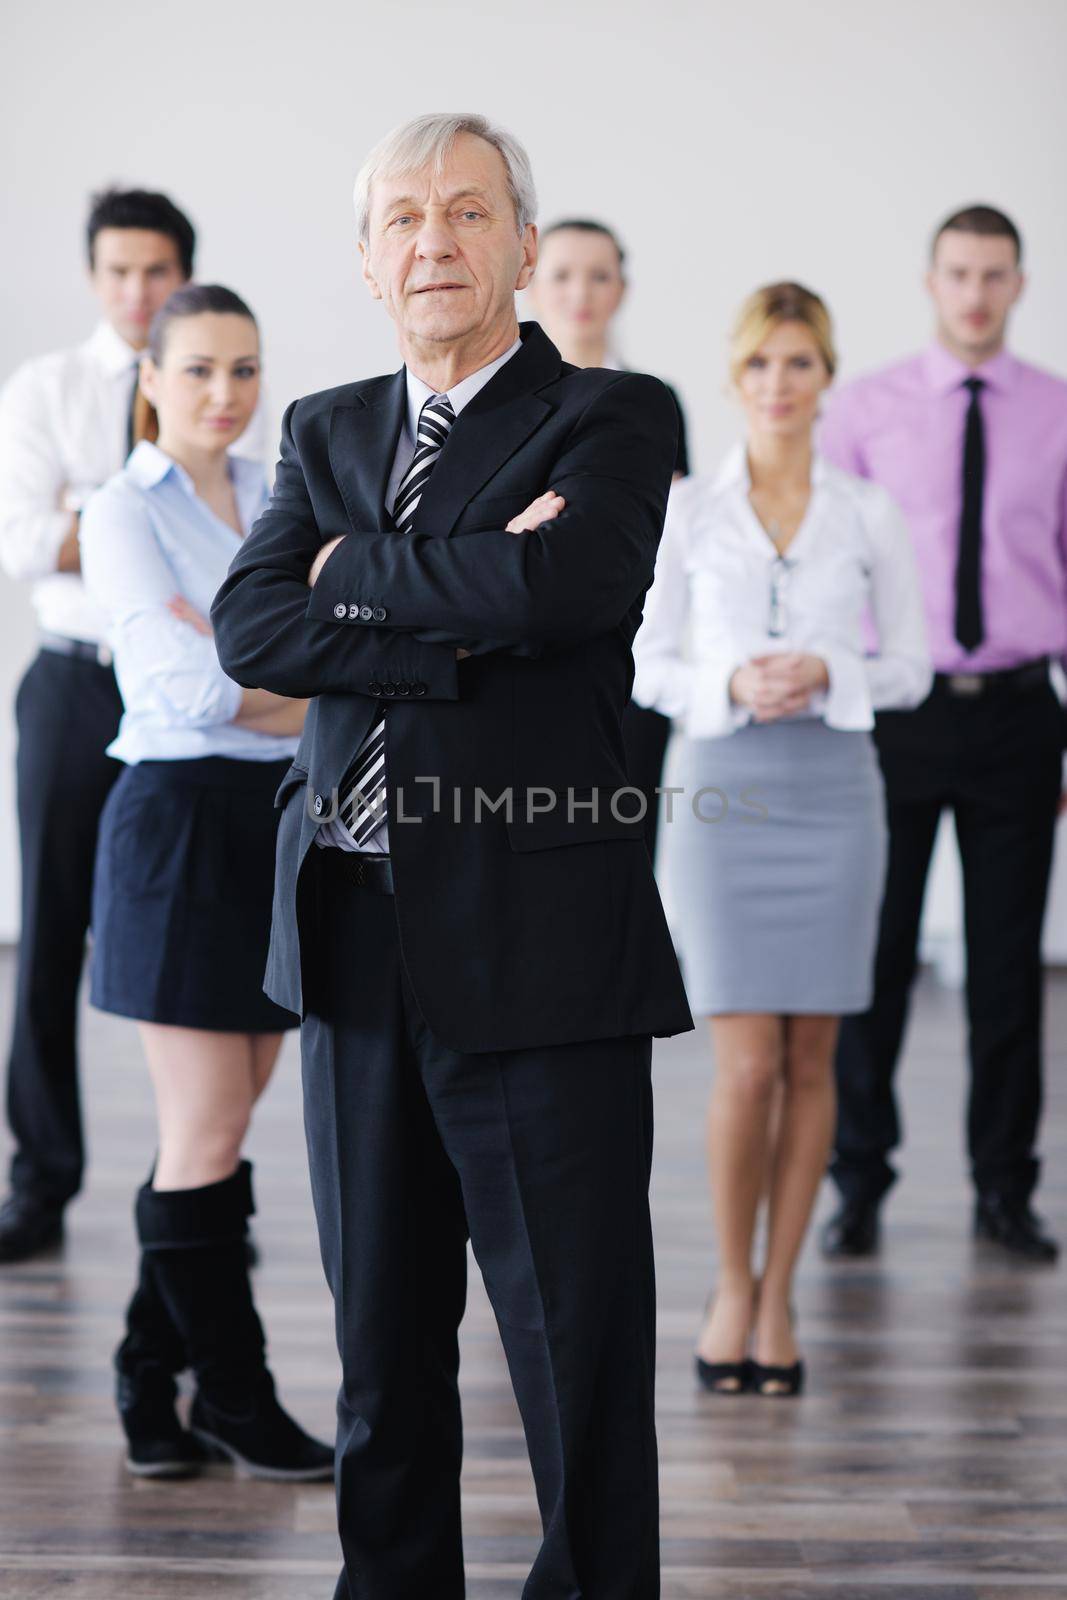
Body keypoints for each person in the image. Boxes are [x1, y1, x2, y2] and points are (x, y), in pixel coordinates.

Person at [212, 113, 693, 1597]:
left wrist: (352, 579)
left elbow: (563, 590)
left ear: (522, 248)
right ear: (366, 262)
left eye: (467, 214)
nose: (435, 242)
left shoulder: (608, 415)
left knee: (574, 1353)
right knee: (379, 1347)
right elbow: (250, 630)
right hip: (350, 939)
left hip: (536, 942)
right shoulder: (323, 428)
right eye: (404, 220)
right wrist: (447, 623)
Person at [633, 283, 930, 1397]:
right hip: (722, 793)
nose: (777, 384)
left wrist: (826, 671)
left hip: (833, 794)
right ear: (732, 377)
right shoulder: (685, 513)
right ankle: (727, 1284)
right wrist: (726, 679)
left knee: (814, 1061)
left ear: (825, 376)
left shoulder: (867, 512)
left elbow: (910, 666)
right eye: (759, 364)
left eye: (798, 363)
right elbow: (644, 665)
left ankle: (779, 1291)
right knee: (746, 1060)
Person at [79, 284, 331, 1482]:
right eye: (197, 372)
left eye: (243, 370)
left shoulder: (285, 501)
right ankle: (234, 1393)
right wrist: (300, 681)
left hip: (275, 824)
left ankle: (147, 1376)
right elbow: (186, 689)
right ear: (152, 379)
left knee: (213, 1141)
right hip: (176, 825)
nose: (224, 394)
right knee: (207, 1129)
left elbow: (325, 651)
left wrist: (275, 668)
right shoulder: (121, 509)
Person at [0, 187, 259, 1263]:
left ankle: (200, 1184)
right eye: (118, 272)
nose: (137, 290)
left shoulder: (246, 463)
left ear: (180, 275)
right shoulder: (50, 388)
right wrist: (131, 547)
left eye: (156, 271)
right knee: (51, 932)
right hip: (80, 681)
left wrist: (116, 532)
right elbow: (21, 542)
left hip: (208, 731)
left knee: (205, 963)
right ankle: (42, 1177)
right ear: (95, 276)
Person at [820, 205, 1067, 1266]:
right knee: (872, 960)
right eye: (957, 273)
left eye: (993, 275)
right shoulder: (864, 411)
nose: (974, 293)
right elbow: (828, 566)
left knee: (1005, 968)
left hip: (1016, 710)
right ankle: (858, 1181)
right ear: (930, 282)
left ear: (1016, 284)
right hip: (896, 713)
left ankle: (1002, 1190)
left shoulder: (1058, 414)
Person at [527, 217, 690, 861]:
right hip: (529, 658)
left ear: (621, 288)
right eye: (562, 274)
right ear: (532, 284)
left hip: (635, 657)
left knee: (625, 844)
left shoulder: (655, 402)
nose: (580, 292)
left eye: (600, 275)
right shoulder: (499, 406)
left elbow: (673, 534)